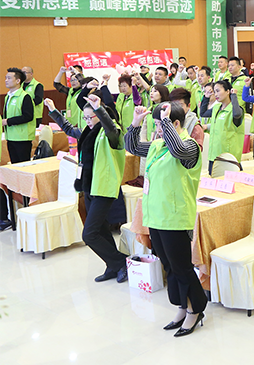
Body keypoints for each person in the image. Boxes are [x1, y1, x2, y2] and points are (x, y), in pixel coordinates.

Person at [126, 102, 206, 337]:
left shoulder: (190, 146)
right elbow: (132, 146)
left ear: (175, 123)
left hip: (175, 216)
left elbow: (178, 150)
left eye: (160, 125)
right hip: (156, 215)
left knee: (182, 267)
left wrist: (167, 122)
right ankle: (183, 306)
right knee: (169, 266)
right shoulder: (158, 144)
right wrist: (135, 123)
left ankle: (196, 309)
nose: (158, 130)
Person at [45, 93, 127, 283]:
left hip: (104, 189)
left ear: (101, 115)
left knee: (89, 234)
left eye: (91, 117)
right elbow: (68, 129)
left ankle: (121, 262)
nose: (88, 121)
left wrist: (99, 108)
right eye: (85, 118)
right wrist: (54, 111)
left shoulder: (112, 134)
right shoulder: (88, 132)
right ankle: (113, 266)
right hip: (89, 188)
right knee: (101, 229)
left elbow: (110, 127)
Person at [200, 80, 244, 173]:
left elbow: (237, 115)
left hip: (228, 156)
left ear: (228, 91)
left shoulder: (235, 109)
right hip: (214, 154)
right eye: (214, 91)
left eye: (218, 91)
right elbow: (203, 113)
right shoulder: (216, 108)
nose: (216, 94)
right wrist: (206, 97)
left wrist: (234, 96)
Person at [4, 68, 35, 164]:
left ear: (18, 81)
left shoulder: (25, 96)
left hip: (22, 138)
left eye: (9, 78)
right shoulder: (8, 96)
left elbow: (28, 116)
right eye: (5, 78)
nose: (6, 80)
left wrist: (7, 121)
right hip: (10, 137)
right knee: (14, 166)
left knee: (23, 166)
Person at [21, 66, 44, 132]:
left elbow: (38, 100)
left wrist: (26, 105)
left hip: (35, 116)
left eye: (25, 72)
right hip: (23, 115)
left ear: (31, 74)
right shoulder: (20, 86)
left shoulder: (38, 85)